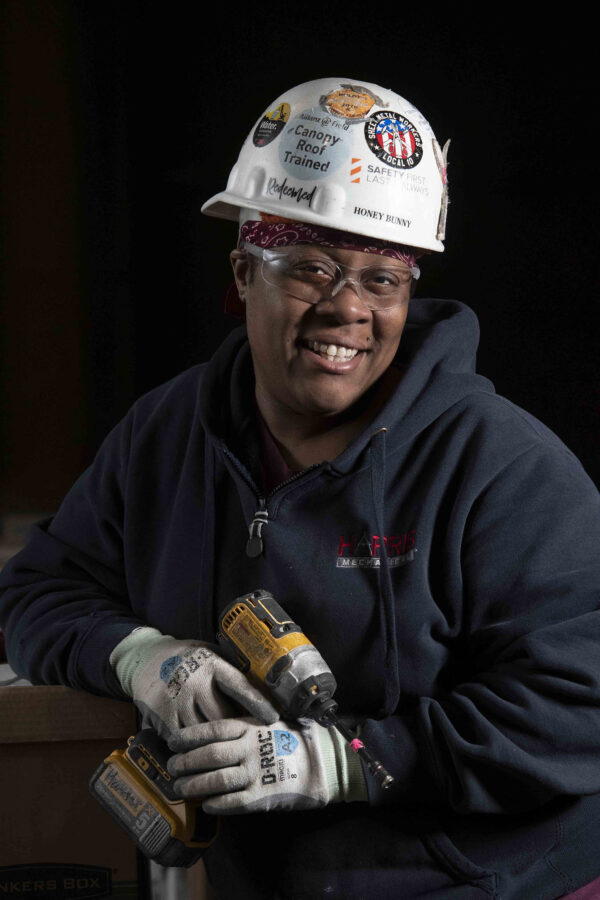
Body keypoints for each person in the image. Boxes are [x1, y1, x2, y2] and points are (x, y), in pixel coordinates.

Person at [1, 77, 600, 900]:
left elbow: (580, 709)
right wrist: (139, 657)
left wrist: (349, 762)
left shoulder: (503, 468)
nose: (346, 308)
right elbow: (38, 588)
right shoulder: (166, 436)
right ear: (244, 272)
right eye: (311, 268)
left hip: (487, 885)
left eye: (381, 279)